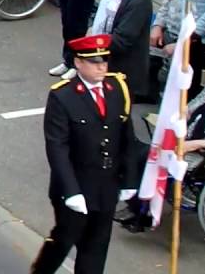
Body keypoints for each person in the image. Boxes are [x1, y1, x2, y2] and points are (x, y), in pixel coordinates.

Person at [30, 35, 135, 274]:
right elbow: (57, 147)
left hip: (107, 184)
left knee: (95, 248)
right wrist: (71, 191)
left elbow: (126, 136)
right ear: (78, 63)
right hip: (76, 184)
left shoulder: (117, 87)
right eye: (95, 61)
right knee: (64, 240)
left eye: (105, 61)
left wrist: (129, 178)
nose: (102, 67)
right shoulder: (63, 96)